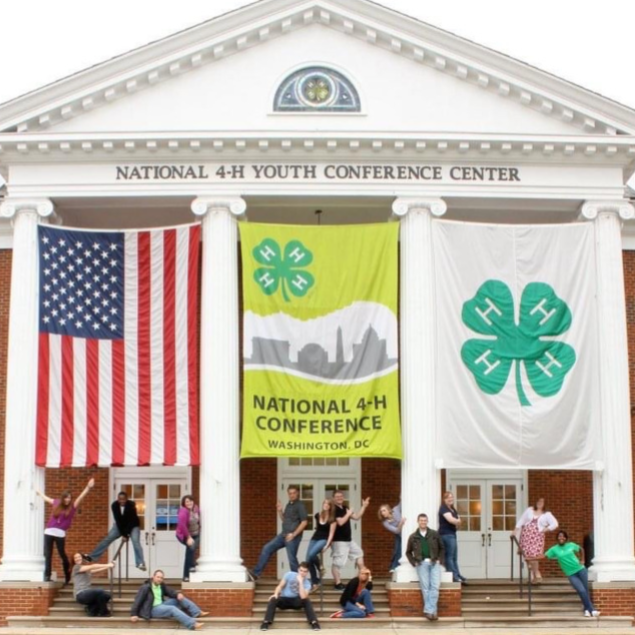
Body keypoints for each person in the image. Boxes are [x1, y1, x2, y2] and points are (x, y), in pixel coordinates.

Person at [37, 477, 95, 584]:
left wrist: (88, 487)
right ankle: (47, 576)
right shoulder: (57, 502)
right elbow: (46, 498)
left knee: (62, 554)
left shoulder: (72, 507)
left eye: (69, 498)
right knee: (48, 554)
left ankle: (67, 575)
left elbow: (81, 497)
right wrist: (39, 492)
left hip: (60, 533)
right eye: (66, 498)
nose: (68, 499)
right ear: (63, 498)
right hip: (49, 532)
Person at [249, 485, 308, 580]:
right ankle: (256, 573)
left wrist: (293, 534)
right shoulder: (289, 504)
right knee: (267, 548)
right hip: (283, 535)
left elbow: (304, 522)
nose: (292, 495)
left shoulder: (300, 505)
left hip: (292, 536)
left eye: (294, 493)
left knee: (292, 559)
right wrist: (280, 511)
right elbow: (285, 520)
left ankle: (298, 581)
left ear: (298, 493)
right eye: (290, 493)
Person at [542, 530, 600, 618]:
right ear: (557, 538)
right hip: (571, 574)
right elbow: (544, 556)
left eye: (563, 536)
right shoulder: (554, 549)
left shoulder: (571, 545)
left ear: (565, 538)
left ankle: (587, 610)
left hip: (581, 570)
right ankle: (592, 610)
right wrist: (530, 558)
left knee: (585, 590)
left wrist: (583, 560)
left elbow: (581, 549)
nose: (561, 538)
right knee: (581, 590)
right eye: (559, 536)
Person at [85, 491, 146, 571]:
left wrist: (126, 534)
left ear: (126, 499)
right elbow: (118, 520)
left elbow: (132, 520)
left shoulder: (131, 505)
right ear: (118, 499)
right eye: (120, 499)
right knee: (108, 538)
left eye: (124, 499)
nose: (122, 501)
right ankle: (92, 557)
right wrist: (124, 534)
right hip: (120, 525)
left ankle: (140, 563)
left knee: (135, 541)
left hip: (133, 526)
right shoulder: (114, 505)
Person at [130, 569, 209, 630]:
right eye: (158, 577)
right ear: (153, 577)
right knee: (172, 609)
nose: (160, 579)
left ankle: (196, 612)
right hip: (152, 609)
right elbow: (138, 600)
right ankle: (192, 624)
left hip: (161, 605)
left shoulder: (161, 585)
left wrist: (177, 594)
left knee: (179, 598)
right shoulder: (145, 587)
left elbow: (170, 591)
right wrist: (133, 614)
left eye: (161, 578)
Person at [260, 561, 321, 631]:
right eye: (301, 570)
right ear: (298, 570)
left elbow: (303, 597)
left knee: (307, 600)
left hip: (296, 602)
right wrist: (276, 594)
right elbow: (280, 586)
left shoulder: (307, 583)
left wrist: (301, 582)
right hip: (284, 600)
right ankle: (266, 622)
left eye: (305, 571)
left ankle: (314, 622)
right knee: (273, 599)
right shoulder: (289, 574)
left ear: (307, 572)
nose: (302, 573)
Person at [406, 513, 445, 621]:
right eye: (421, 520)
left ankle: (429, 611)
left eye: (425, 520)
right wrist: (414, 562)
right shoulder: (413, 537)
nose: (423, 522)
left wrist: (439, 560)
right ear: (418, 522)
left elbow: (442, 548)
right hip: (421, 564)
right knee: (426, 588)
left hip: (434, 563)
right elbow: (408, 552)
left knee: (435, 587)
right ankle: (433, 612)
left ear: (427, 521)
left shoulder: (434, 534)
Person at [331, 490, 370, 590]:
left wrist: (364, 506)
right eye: (337, 496)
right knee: (338, 563)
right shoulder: (333, 509)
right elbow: (340, 522)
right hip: (339, 541)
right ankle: (337, 583)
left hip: (348, 540)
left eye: (341, 496)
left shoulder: (345, 508)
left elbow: (356, 517)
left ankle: (362, 579)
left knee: (359, 553)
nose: (339, 498)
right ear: (334, 498)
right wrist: (348, 514)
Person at [513, 497, 558, 583]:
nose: (539, 503)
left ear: (545, 504)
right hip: (526, 535)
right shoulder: (529, 510)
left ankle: (537, 573)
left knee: (534, 556)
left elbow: (555, 524)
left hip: (537, 537)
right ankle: (531, 576)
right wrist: (515, 530)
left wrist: (546, 529)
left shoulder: (547, 514)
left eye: (542, 501)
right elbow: (521, 520)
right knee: (527, 556)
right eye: (538, 501)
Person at [305, 499, 336, 592]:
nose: (326, 505)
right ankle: (315, 582)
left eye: (328, 504)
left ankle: (320, 567)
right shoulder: (318, 515)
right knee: (308, 560)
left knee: (311, 555)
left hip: (324, 539)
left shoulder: (332, 519)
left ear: (330, 507)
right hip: (314, 538)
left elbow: (331, 534)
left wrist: (327, 545)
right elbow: (318, 528)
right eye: (324, 503)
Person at [71, 552, 114, 617]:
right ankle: (104, 612)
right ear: (73, 560)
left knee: (107, 596)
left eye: (79, 557)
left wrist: (108, 567)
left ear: (82, 558)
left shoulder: (85, 569)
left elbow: (95, 570)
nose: (77, 559)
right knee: (100, 591)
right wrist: (108, 565)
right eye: (75, 558)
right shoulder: (76, 567)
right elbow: (93, 566)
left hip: (87, 593)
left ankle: (91, 609)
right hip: (80, 594)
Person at [438, 492, 467, 584]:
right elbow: (451, 520)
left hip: (452, 534)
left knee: (454, 557)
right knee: (449, 557)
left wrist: (457, 522)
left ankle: (458, 575)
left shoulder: (453, 509)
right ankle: (454, 576)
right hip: (446, 534)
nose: (450, 499)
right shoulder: (443, 508)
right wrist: (457, 521)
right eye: (448, 498)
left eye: (451, 497)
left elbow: (458, 522)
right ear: (444, 499)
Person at [176, 495, 200, 582]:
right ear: (184, 503)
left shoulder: (196, 509)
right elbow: (182, 526)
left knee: (190, 551)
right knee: (191, 547)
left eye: (190, 501)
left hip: (196, 533)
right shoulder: (183, 511)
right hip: (184, 535)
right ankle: (191, 567)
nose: (189, 503)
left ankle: (186, 575)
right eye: (187, 501)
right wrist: (188, 537)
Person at [378, 502, 405, 573]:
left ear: (389, 510)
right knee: (397, 550)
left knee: (400, 549)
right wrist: (401, 523)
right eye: (381, 511)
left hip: (405, 533)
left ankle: (394, 566)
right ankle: (394, 566)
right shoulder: (385, 522)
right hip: (399, 534)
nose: (382, 513)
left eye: (384, 510)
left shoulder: (396, 509)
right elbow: (396, 531)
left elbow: (402, 502)